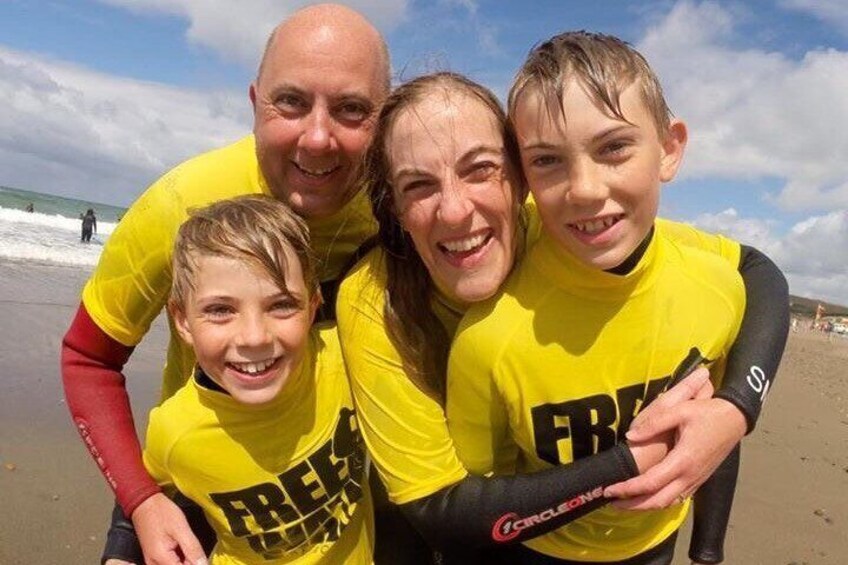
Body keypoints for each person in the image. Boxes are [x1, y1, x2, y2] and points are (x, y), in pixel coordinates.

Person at [337, 71, 788, 562]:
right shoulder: (374, 301)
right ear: (395, 209)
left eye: (479, 169)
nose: (453, 211)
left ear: (519, 182)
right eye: (418, 185)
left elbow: (753, 269)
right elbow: (441, 510)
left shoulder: (570, 229)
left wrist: (736, 407)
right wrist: (634, 462)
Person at [60, 4, 389, 563]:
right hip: (202, 472)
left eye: (352, 109)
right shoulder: (181, 204)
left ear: (385, 118)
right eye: (290, 101)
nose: (317, 138)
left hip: (346, 476)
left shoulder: (406, 200)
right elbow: (89, 358)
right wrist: (140, 501)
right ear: (255, 102)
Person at [140, 195, 373, 563]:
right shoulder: (174, 432)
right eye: (220, 310)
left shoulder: (347, 360)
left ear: (313, 307)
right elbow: (142, 496)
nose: (254, 337)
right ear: (182, 320)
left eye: (281, 305)